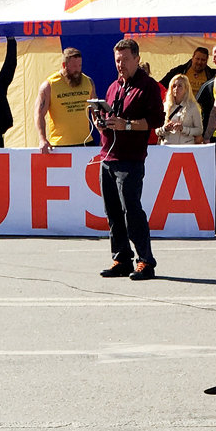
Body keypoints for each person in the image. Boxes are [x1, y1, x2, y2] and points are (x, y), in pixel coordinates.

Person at [93, 38, 163, 281]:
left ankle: (146, 261)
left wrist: (127, 125)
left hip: (130, 159)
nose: (120, 65)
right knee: (112, 211)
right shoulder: (114, 87)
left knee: (131, 210)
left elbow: (156, 121)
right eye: (117, 60)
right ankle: (122, 258)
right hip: (108, 156)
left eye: (124, 60)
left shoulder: (148, 87)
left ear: (137, 59)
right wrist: (100, 123)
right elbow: (108, 118)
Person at [36, 47, 96, 152]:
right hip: (60, 146)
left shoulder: (88, 82)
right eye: (74, 66)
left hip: (86, 143)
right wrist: (42, 139)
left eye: (80, 66)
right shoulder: (49, 85)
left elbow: (96, 111)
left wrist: (104, 136)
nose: (78, 70)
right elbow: (39, 114)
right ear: (64, 65)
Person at [154, 74, 203, 145]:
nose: (176, 89)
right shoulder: (165, 106)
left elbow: (199, 130)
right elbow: (157, 130)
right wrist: (165, 128)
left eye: (180, 86)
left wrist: (183, 129)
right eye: (174, 86)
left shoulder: (193, 107)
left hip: (186, 147)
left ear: (186, 88)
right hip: (167, 147)